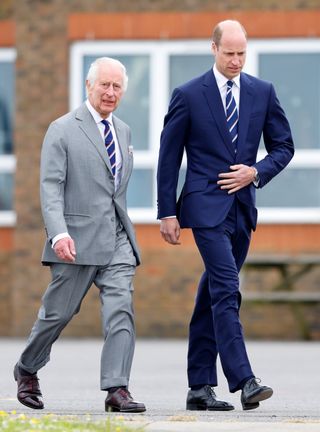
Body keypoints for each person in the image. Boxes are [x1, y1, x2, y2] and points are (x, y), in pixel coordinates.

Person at [157, 20, 294, 411]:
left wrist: (257, 171)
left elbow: (284, 146)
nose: (236, 61)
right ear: (213, 49)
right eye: (229, 53)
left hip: (243, 208)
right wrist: (167, 211)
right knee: (227, 288)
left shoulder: (262, 92)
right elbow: (169, 158)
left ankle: (199, 386)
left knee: (213, 294)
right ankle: (245, 380)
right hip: (204, 206)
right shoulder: (188, 95)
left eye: (241, 53)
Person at [14, 57, 146, 413]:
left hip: (117, 238)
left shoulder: (125, 131)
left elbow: (115, 190)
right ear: (89, 86)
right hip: (74, 241)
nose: (110, 92)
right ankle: (27, 369)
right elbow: (51, 187)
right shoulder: (62, 129)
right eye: (104, 84)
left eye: (117, 86)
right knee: (57, 314)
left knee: (121, 309)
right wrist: (58, 234)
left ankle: (117, 389)